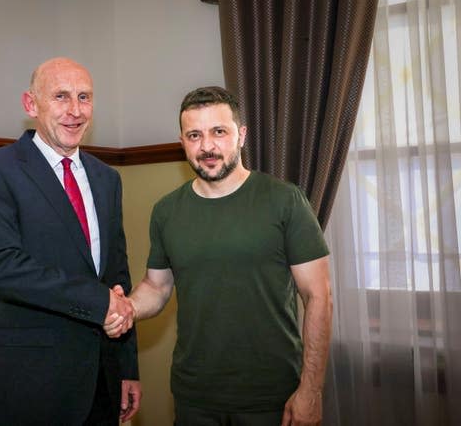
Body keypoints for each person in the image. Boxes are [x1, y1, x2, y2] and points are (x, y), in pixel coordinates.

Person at [105, 86, 332, 426]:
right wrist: (128, 309)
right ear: (182, 140)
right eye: (194, 135)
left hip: (271, 395)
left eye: (218, 132)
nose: (207, 146)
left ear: (241, 135)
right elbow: (157, 286)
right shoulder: (166, 211)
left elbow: (319, 297)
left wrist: (311, 391)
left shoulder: (285, 201)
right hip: (194, 396)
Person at [0, 57, 141, 425]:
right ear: (31, 104)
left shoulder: (107, 178)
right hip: (32, 384)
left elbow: (118, 276)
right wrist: (98, 301)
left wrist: (126, 366)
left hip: (102, 382)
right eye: (61, 96)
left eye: (84, 97)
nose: (75, 111)